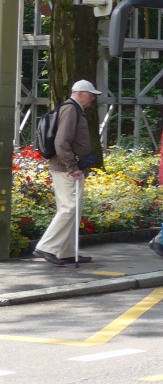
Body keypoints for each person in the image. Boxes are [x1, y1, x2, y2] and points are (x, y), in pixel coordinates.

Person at [33, 79, 102, 266]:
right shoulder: (71, 109)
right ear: (79, 93)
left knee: (74, 209)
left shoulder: (73, 109)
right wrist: (73, 167)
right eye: (91, 95)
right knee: (69, 208)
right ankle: (46, 247)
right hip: (66, 168)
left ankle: (66, 252)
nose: (92, 99)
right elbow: (61, 142)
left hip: (70, 167)